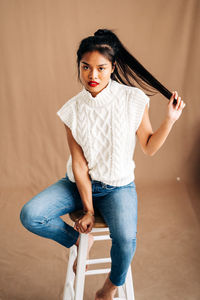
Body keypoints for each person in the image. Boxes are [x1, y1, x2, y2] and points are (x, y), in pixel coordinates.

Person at [20, 28, 186, 300]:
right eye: (86, 67)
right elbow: (79, 164)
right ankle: (76, 242)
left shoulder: (133, 100)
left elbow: (149, 147)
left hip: (117, 188)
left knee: (125, 240)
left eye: (100, 68)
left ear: (113, 67)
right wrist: (87, 209)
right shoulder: (71, 110)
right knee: (31, 214)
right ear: (79, 67)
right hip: (78, 184)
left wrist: (170, 119)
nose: (92, 75)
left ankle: (109, 288)